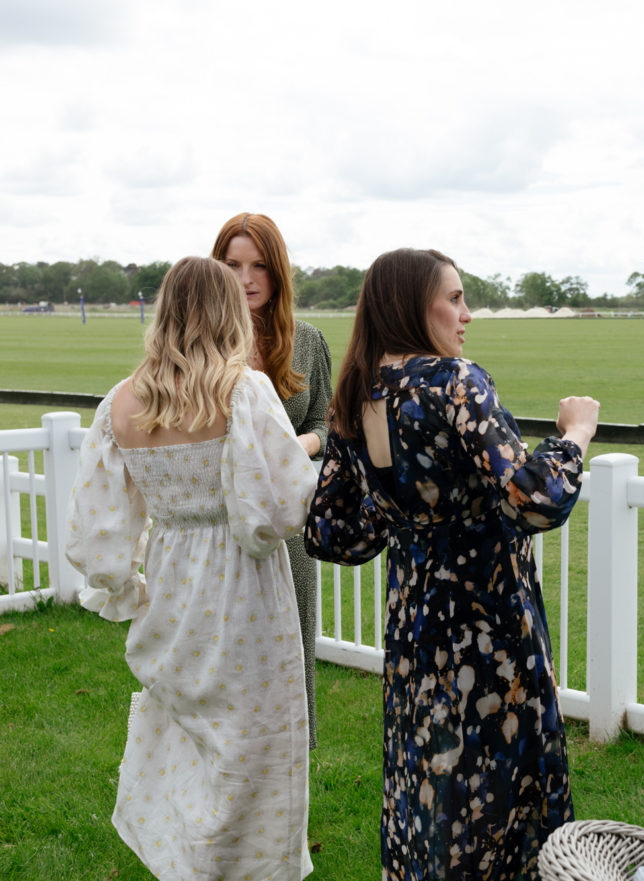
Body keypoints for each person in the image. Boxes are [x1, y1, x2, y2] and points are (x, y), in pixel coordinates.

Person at [304, 247, 598, 880]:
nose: (468, 313)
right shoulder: (455, 381)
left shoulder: (357, 394)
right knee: (496, 793)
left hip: (415, 628)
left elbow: (333, 533)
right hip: (488, 628)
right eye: (455, 298)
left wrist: (408, 509)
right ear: (413, 304)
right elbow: (537, 499)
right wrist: (573, 436)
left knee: (429, 785)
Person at [66, 256, 317, 880]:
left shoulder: (121, 405)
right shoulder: (246, 391)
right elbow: (281, 508)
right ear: (230, 311)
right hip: (246, 591)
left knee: (190, 740)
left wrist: (127, 589)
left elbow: (95, 535)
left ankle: (191, 863)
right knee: (251, 749)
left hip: (173, 588)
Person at [212, 212, 333, 749]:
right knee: (228, 654)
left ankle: (290, 775)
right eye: (232, 264)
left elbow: (331, 423)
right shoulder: (200, 344)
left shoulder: (306, 342)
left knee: (291, 648)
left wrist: (299, 447)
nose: (245, 279)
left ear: (278, 272)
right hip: (220, 527)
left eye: (259, 265)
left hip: (289, 529)